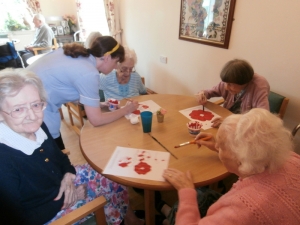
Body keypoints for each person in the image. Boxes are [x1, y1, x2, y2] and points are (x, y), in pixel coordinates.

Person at [0, 69, 143, 225]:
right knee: (105, 188)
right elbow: (16, 219)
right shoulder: (4, 161)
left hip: (60, 184)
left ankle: (128, 219)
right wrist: (65, 200)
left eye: (35, 105)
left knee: (112, 173)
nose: (32, 116)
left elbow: (60, 158)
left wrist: (68, 175)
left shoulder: (37, 128)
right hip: (48, 213)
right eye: (18, 109)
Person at [160, 108, 300, 225]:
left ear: (240, 157)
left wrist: (186, 191)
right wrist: (221, 145)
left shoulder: (241, 210)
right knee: (203, 195)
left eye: (220, 146)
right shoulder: (291, 158)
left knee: (194, 196)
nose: (215, 146)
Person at [27, 36, 139, 150]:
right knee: (55, 158)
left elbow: (66, 87)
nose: (116, 66)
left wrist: (97, 104)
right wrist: (126, 110)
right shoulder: (89, 73)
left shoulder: (78, 57)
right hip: (33, 112)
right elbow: (96, 120)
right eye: (116, 62)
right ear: (107, 57)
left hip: (25, 100)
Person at [196, 59, 270, 127]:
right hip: (226, 117)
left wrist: (231, 121)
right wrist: (203, 94)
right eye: (225, 83)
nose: (226, 87)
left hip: (246, 126)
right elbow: (211, 92)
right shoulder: (229, 80)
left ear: (243, 82)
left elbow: (263, 117)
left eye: (230, 84)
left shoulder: (258, 86)